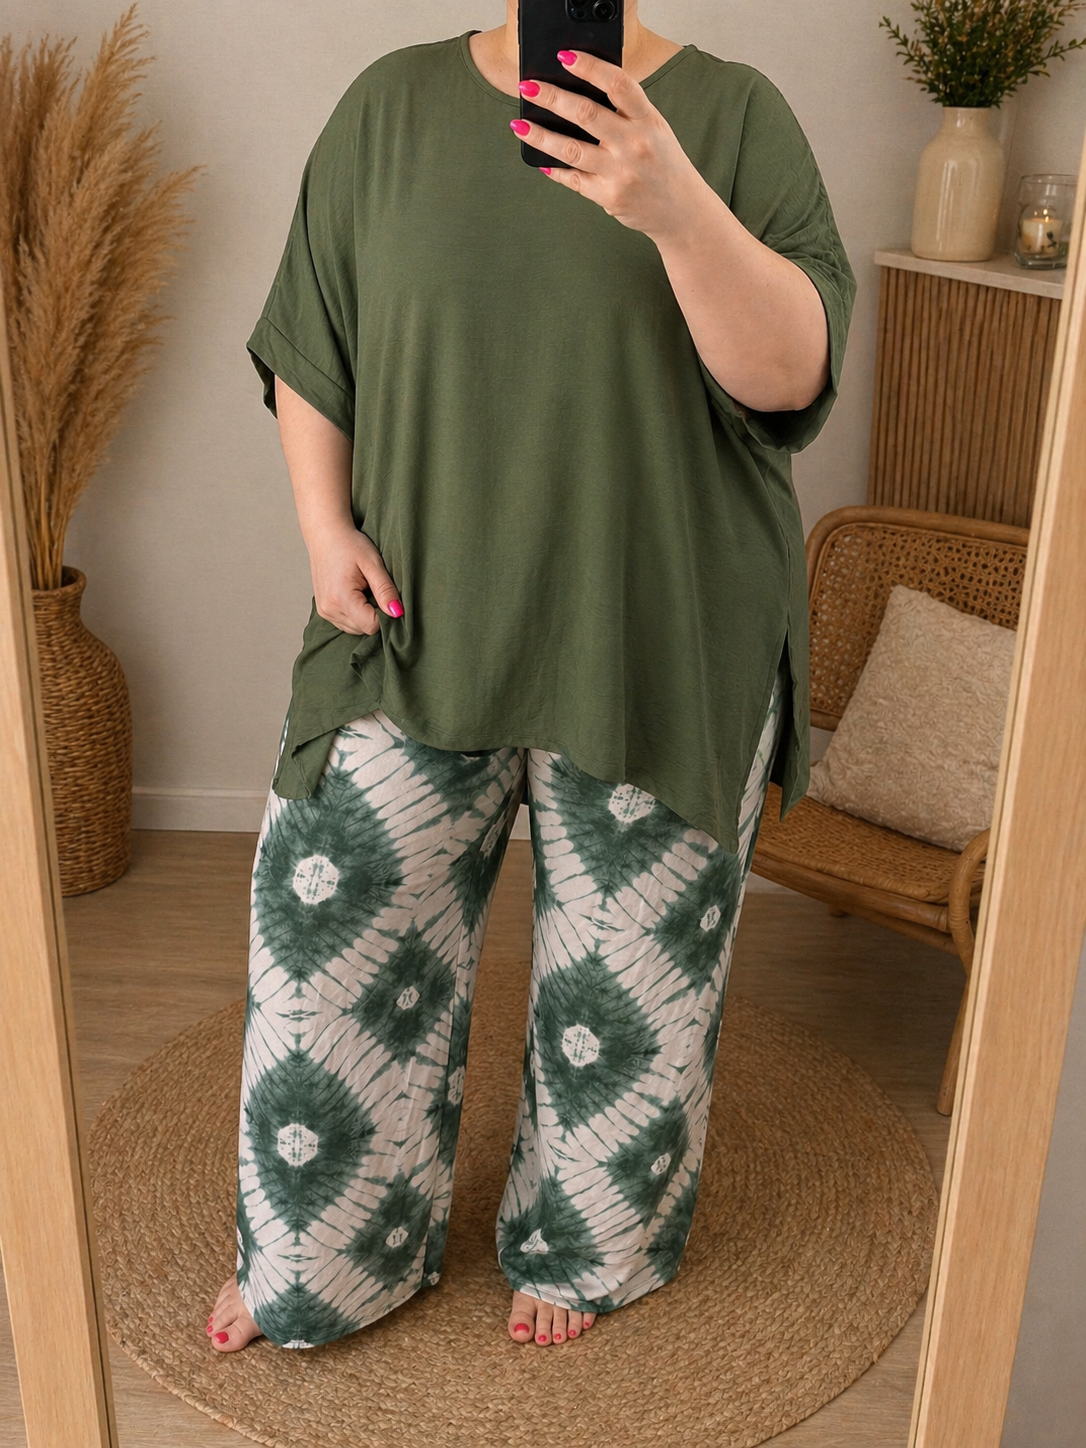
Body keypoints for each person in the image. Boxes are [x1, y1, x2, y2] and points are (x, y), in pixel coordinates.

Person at [207, 0, 855, 1354]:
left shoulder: (733, 116)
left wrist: (673, 206)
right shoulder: (388, 105)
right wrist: (323, 533)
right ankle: (321, 1254)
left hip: (663, 624)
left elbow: (789, 380)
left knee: (630, 989)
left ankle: (588, 1241)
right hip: (413, 611)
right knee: (333, 928)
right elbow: (314, 334)